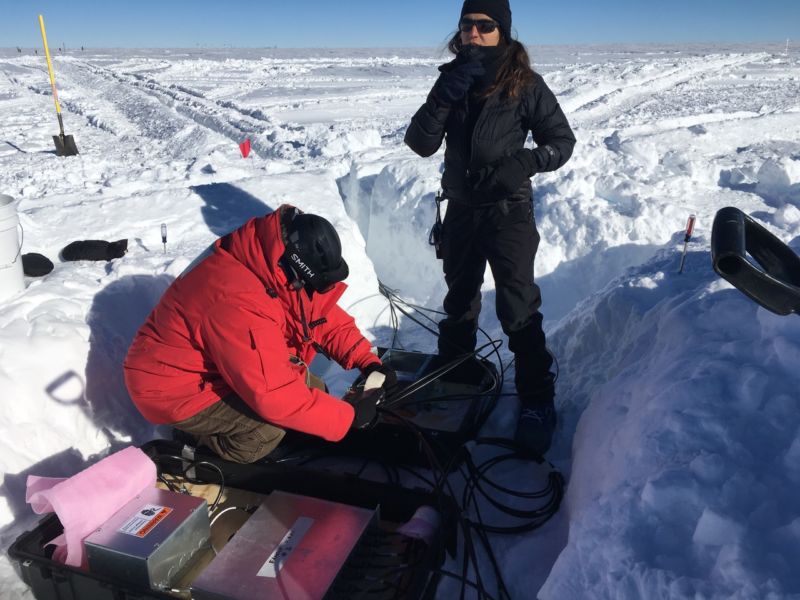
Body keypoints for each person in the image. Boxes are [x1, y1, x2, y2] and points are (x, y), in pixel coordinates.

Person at [404, 0, 576, 457]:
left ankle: (537, 399)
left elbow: (561, 142)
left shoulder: (525, 85)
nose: (474, 33)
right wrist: (442, 98)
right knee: (459, 298)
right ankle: (457, 374)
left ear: (503, 31)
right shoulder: (451, 80)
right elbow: (420, 144)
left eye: (485, 25)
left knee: (517, 306)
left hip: (508, 210)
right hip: (460, 209)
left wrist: (523, 162)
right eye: (467, 25)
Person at [124, 204, 396, 464]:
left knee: (316, 392)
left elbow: (317, 313)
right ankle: (195, 439)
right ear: (296, 273)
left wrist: (366, 360)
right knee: (265, 433)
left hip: (212, 364)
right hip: (173, 387)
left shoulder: (273, 255)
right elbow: (273, 395)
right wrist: (348, 419)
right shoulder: (237, 302)